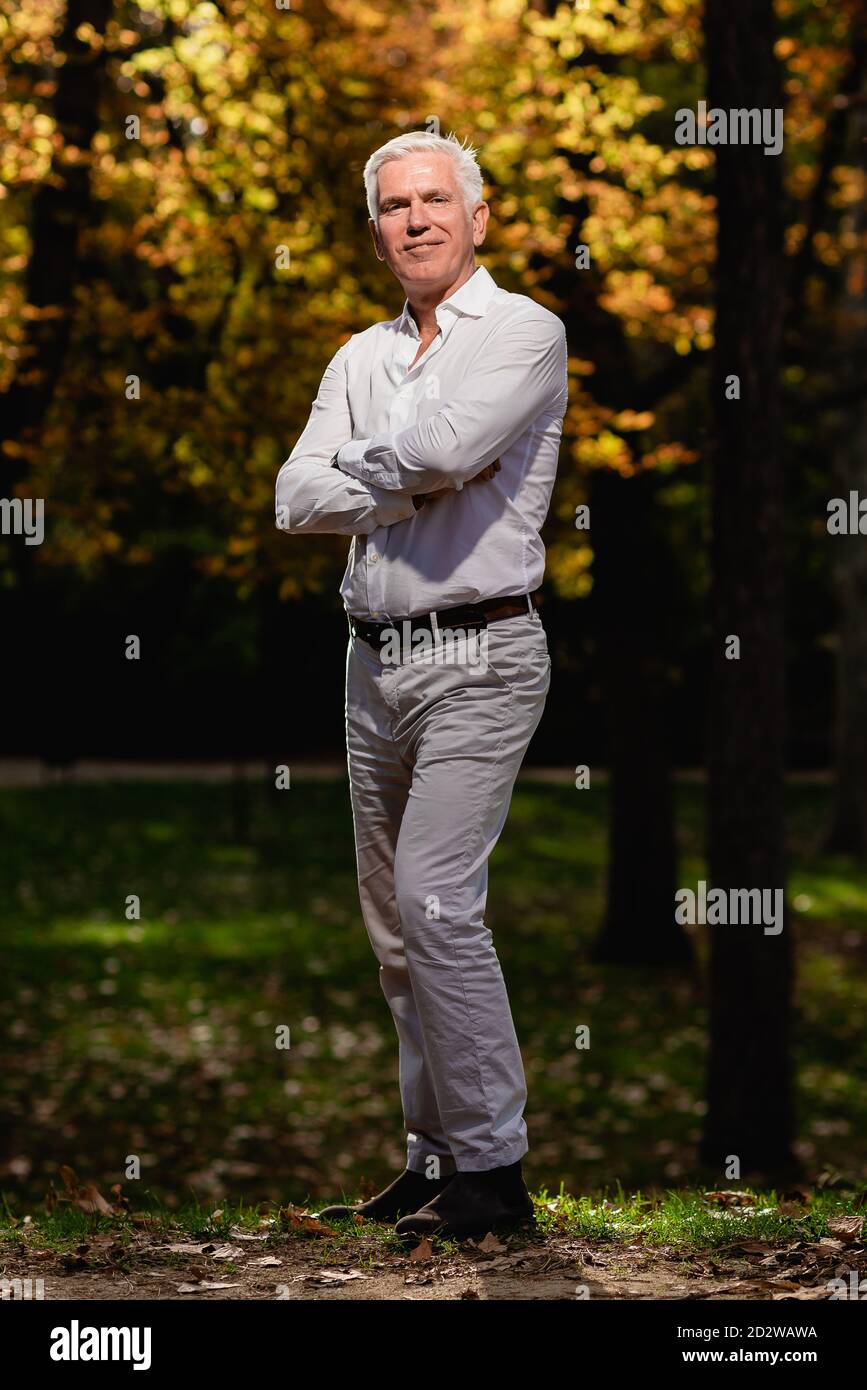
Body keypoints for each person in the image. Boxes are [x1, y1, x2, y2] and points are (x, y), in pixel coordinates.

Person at [275, 130, 568, 1239]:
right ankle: (437, 1154)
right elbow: (295, 497)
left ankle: (496, 1174)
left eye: (435, 200)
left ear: (477, 218)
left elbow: (454, 446)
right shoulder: (357, 355)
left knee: (439, 900)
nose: (415, 220)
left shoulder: (528, 331)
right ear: (376, 228)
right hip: (371, 661)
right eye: (393, 205)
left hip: (481, 654)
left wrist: (378, 462)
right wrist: (398, 477)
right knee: (396, 925)